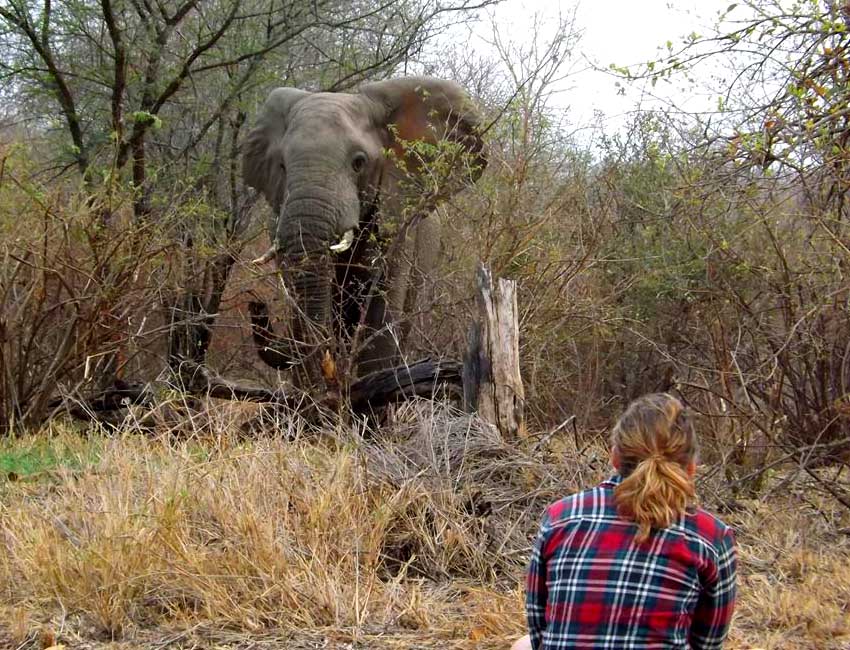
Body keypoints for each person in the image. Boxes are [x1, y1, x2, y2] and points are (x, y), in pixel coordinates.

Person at [517, 393, 737, 650]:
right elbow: (708, 643)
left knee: (522, 645)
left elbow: (539, 632)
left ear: (615, 458)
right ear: (691, 468)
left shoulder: (559, 517)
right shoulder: (712, 537)